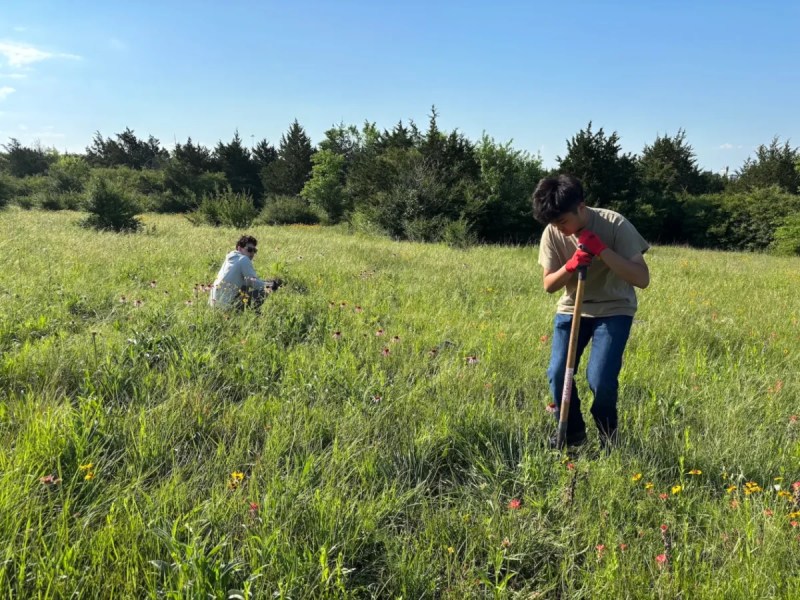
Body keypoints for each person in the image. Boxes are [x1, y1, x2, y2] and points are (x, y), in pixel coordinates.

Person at [532, 175, 650, 449]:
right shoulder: (552, 232)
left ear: (581, 207)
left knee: (600, 379)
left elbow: (642, 278)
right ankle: (573, 434)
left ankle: (609, 437)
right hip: (572, 309)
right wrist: (571, 264)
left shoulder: (615, 224)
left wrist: (602, 251)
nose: (560, 229)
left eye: (563, 222)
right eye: (553, 223)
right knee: (558, 373)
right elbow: (549, 285)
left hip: (614, 308)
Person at [209, 235, 281, 310]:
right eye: (249, 250)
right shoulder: (243, 259)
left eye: (254, 250)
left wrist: (264, 282)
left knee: (245, 286)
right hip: (226, 306)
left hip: (214, 304)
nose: (252, 253)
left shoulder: (230, 258)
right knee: (263, 292)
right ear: (239, 248)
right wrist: (272, 286)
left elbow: (248, 281)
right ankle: (254, 315)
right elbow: (253, 282)